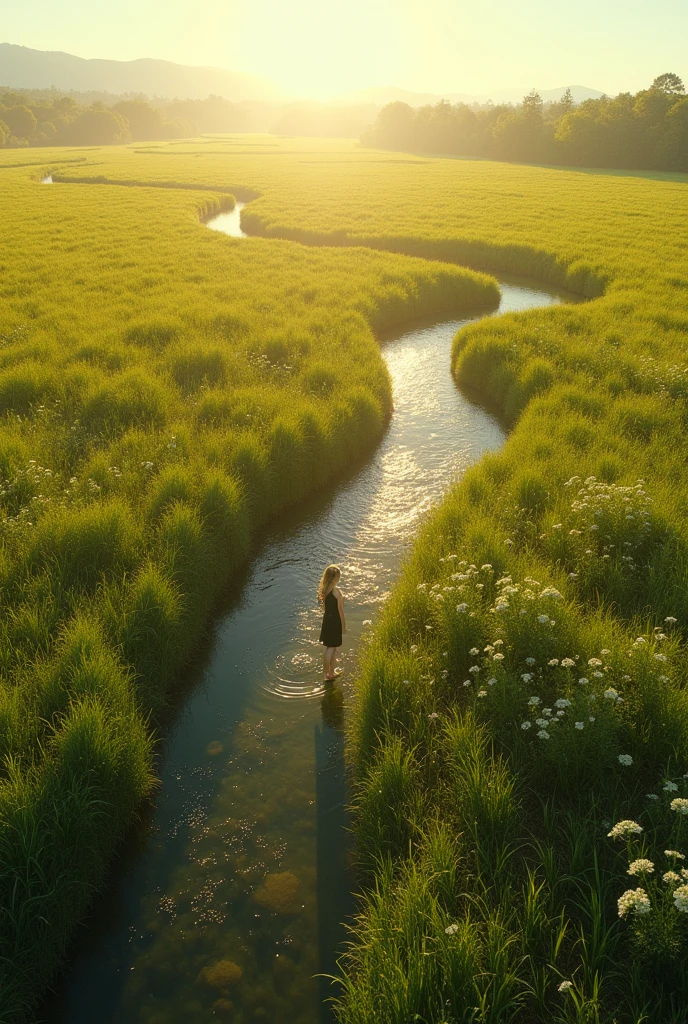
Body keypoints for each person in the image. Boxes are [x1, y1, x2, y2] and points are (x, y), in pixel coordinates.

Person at [318, 564, 346, 681]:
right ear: (335, 578)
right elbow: (340, 610)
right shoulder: (336, 591)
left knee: (329, 646)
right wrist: (343, 626)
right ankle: (328, 673)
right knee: (332, 647)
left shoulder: (324, 590)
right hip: (335, 621)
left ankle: (329, 672)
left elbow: (324, 607)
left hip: (327, 620)